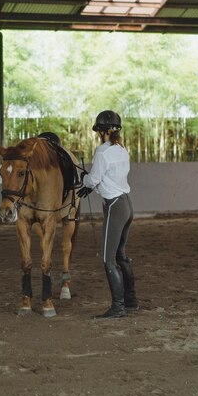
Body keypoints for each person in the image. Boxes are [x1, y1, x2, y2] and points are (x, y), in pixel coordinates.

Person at [77, 110, 138, 319]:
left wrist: (85, 179)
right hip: (127, 205)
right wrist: (93, 182)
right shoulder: (121, 149)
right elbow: (110, 178)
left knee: (108, 258)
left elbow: (94, 180)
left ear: (101, 131)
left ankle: (118, 307)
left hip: (114, 207)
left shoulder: (102, 152)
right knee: (120, 253)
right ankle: (131, 301)